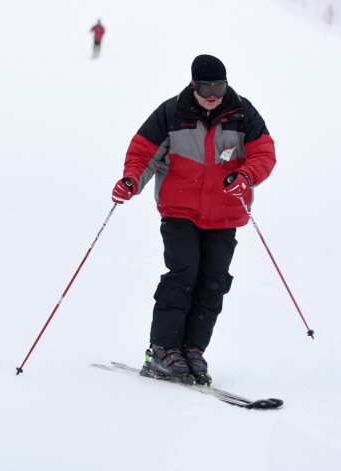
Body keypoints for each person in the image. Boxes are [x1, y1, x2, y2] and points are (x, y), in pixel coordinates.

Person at [111, 54, 276, 386]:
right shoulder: (171, 113)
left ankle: (193, 349)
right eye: (205, 87)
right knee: (183, 272)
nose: (213, 94)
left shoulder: (243, 113)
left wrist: (247, 175)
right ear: (193, 84)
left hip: (226, 214)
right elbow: (143, 153)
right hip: (179, 211)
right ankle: (163, 349)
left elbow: (264, 154)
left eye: (219, 86)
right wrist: (131, 181)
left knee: (213, 280)